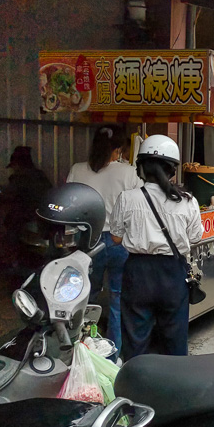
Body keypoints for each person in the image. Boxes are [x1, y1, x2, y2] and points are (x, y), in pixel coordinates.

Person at [110, 135, 202, 359]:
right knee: (174, 337)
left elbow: (116, 239)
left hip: (137, 273)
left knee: (135, 338)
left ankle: (136, 387)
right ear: (172, 170)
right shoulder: (188, 200)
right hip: (172, 273)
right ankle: (173, 386)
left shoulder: (127, 198)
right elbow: (195, 238)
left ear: (141, 167)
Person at [67, 125, 141, 352]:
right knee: (118, 300)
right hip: (118, 241)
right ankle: (113, 354)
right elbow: (140, 205)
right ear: (117, 150)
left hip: (87, 241)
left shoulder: (77, 170)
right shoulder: (128, 172)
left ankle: (85, 349)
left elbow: (70, 204)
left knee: (88, 298)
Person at [1, 146, 52, 269]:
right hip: (45, 218)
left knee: (10, 223)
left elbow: (9, 197)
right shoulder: (41, 176)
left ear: (17, 164)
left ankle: (13, 262)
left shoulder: (18, 178)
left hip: (27, 219)